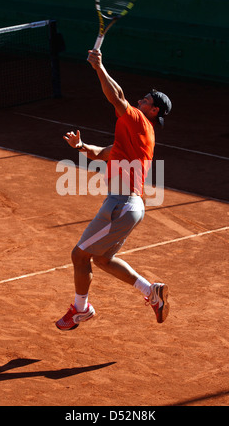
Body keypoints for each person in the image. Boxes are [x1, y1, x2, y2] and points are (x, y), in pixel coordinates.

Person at [56, 49, 172, 331]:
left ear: (153, 110)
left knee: (79, 255)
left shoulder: (141, 122)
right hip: (128, 206)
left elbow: (116, 96)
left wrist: (99, 66)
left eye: (145, 100)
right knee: (102, 259)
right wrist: (81, 147)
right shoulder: (131, 135)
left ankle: (81, 309)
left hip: (121, 204)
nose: (140, 100)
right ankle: (150, 291)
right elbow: (102, 153)